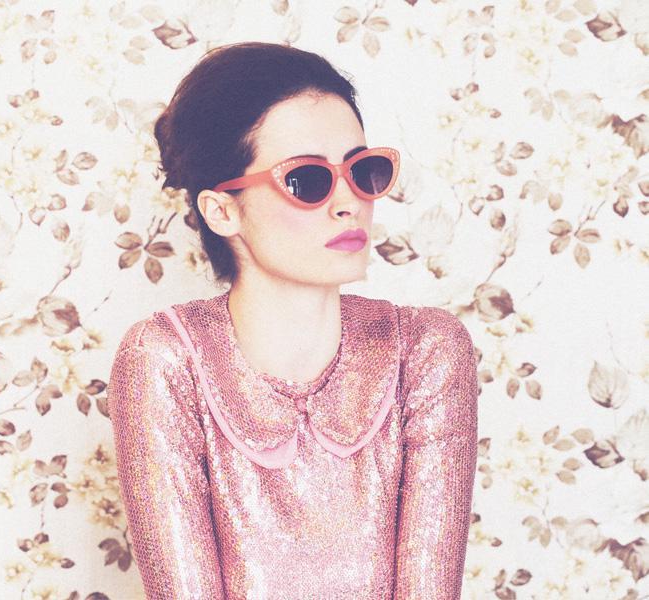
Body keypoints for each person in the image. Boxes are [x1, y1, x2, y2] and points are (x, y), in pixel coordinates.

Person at [106, 41, 479, 599]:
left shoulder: (427, 349)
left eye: (364, 170)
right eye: (308, 179)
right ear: (222, 210)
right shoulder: (163, 359)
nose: (350, 203)